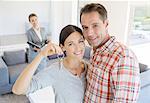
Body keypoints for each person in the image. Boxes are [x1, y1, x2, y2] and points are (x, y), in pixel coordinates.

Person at [80, 3, 140, 102]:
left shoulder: (123, 57)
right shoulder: (94, 50)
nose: (89, 33)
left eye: (95, 25)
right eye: (85, 27)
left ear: (106, 24)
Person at [12, 25, 87, 103]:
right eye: (71, 44)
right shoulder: (56, 70)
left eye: (80, 41)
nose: (78, 48)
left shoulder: (89, 68)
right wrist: (41, 55)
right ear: (62, 47)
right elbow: (18, 89)